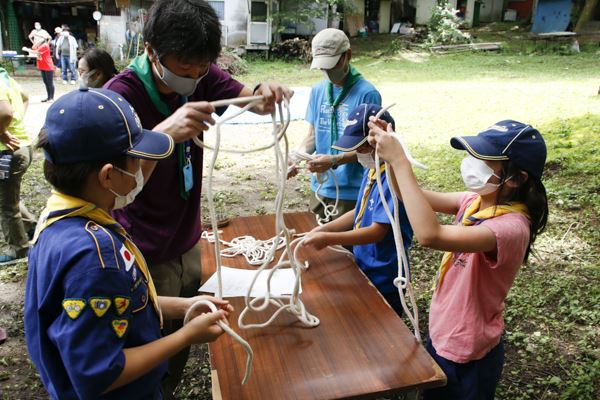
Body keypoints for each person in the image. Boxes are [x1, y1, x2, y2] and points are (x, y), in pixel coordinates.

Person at [103, 0, 292, 397]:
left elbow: (249, 98)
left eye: (200, 69)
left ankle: (168, 384)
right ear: (151, 51)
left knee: (185, 333)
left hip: (188, 240)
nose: (192, 78)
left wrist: (264, 92)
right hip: (144, 249)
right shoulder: (118, 97)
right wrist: (163, 134)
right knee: (145, 345)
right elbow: (107, 185)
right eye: (182, 69)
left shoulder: (203, 74)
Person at [25, 87, 232, 399]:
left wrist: (184, 306)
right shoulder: (95, 258)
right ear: (108, 176)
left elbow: (117, 305)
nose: (142, 168)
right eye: (136, 160)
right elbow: (99, 374)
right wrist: (185, 337)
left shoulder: (62, 219)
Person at [368, 119, 549, 400]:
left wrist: (401, 162)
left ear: (515, 179)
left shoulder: (510, 229)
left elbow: (430, 235)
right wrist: (392, 154)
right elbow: (405, 194)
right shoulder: (473, 201)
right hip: (444, 331)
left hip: (468, 351)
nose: (471, 163)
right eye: (473, 154)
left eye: (484, 160)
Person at [302, 104, 413, 315]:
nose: (359, 154)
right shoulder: (372, 169)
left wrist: (328, 239)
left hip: (385, 275)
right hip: (364, 263)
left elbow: (378, 231)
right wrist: (324, 229)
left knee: (383, 327)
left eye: (363, 148)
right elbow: (359, 212)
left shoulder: (392, 178)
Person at [288, 28, 382, 222]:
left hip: (352, 190)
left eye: (332, 65)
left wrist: (334, 160)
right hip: (321, 187)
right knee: (318, 244)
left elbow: (373, 150)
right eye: (323, 67)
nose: (328, 72)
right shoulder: (317, 91)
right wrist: (296, 157)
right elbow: (313, 135)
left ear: (347, 55)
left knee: (345, 250)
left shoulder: (367, 94)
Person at [0, 68, 33, 264]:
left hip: (8, 152)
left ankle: (18, 249)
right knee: (9, 195)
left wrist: (3, 132)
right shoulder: (5, 78)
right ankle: (29, 227)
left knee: (6, 204)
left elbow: (4, 113)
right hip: (22, 147)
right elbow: (26, 97)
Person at [23, 37, 55, 102]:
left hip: (48, 66)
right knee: (46, 82)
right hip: (43, 66)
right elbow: (33, 47)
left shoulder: (45, 45)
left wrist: (26, 49)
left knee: (49, 83)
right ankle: (48, 97)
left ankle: (51, 98)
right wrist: (37, 42)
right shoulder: (40, 45)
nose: (36, 40)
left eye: (38, 39)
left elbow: (35, 52)